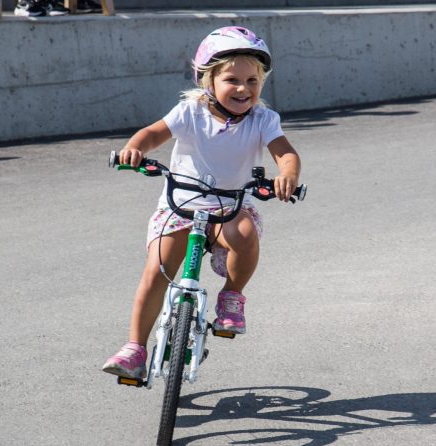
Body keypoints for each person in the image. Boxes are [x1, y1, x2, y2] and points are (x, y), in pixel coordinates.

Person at [101, 26, 301, 379]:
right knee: (156, 271)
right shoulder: (189, 111)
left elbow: (286, 154)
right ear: (208, 81)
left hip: (229, 205)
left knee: (243, 233)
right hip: (181, 205)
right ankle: (135, 349)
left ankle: (231, 297)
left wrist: (287, 175)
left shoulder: (263, 120)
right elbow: (151, 134)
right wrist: (135, 149)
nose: (243, 88)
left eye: (252, 81)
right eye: (232, 79)